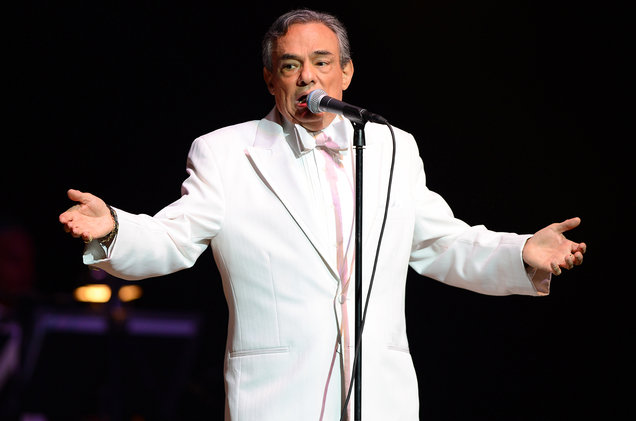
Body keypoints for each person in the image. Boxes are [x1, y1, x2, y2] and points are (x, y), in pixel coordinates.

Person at [58, 9, 586, 421]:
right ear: (271, 80)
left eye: (322, 62)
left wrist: (521, 251)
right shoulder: (227, 153)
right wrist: (116, 229)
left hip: (381, 399)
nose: (307, 76)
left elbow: (440, 243)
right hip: (278, 399)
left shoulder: (391, 147)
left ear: (346, 73)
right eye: (290, 65)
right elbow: (173, 238)